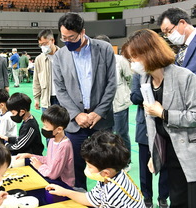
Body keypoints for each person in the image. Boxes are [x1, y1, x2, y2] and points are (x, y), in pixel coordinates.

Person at [122, 28, 196, 208]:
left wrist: (164, 113)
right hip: (169, 154)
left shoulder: (184, 77)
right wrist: (154, 153)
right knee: (178, 200)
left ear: (149, 53)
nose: (133, 63)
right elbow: (151, 122)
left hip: (190, 153)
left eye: (135, 57)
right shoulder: (145, 80)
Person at [53, 12, 116, 190]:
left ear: (82, 32)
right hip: (75, 123)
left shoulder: (103, 49)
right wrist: (76, 114)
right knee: (76, 168)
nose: (67, 41)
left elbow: (111, 83)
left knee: (104, 167)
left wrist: (99, 112)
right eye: (63, 37)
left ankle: (106, 199)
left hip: (101, 121)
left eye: (71, 37)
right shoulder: (60, 56)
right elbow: (60, 89)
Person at [46, 131, 145, 207]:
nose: (87, 169)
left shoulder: (113, 192)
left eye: (89, 166)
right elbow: (91, 199)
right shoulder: (108, 176)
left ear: (105, 172)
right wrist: (65, 192)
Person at [130, 74, 169, 208]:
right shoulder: (138, 75)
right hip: (144, 125)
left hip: (165, 123)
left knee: (166, 164)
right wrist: (148, 95)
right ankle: (147, 197)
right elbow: (134, 97)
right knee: (144, 165)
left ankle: (163, 197)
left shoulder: (167, 73)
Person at [95, 34, 133, 168]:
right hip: (103, 106)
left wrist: (124, 93)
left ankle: (126, 161)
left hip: (119, 104)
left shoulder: (120, 60)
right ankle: (109, 162)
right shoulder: (95, 62)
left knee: (121, 134)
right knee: (106, 135)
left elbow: (129, 78)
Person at [16, 105, 74, 187]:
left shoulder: (64, 146)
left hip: (62, 184)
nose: (43, 128)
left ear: (59, 129)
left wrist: (39, 166)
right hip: (51, 175)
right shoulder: (52, 139)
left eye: (46, 126)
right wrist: (29, 155)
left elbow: (53, 174)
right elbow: (49, 160)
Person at [157, 7, 196, 76]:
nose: (169, 36)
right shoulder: (181, 50)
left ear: (182, 23)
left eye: (169, 31)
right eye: (165, 34)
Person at [33, 29, 60, 111]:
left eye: (45, 44)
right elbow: (36, 80)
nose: (43, 47)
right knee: (47, 123)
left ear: (52, 40)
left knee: (63, 123)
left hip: (62, 99)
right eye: (40, 45)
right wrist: (37, 98)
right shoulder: (39, 59)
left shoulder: (64, 55)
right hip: (46, 100)